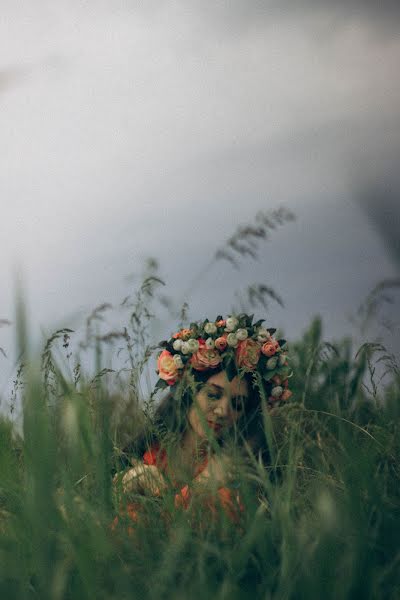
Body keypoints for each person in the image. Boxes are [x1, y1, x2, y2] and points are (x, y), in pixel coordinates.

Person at [113, 314, 292, 528]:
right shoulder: (150, 447)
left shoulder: (237, 468)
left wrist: (200, 487)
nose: (223, 411)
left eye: (237, 404)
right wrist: (127, 482)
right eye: (213, 395)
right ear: (188, 393)